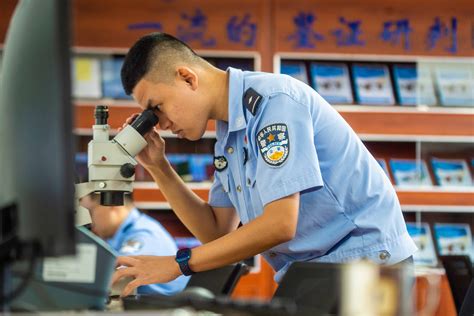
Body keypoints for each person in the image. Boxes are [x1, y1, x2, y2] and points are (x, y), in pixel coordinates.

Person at [112, 32, 417, 296]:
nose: (160, 124)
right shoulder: (228, 135)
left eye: (157, 108)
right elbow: (217, 234)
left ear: (187, 77)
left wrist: (178, 263)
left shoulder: (273, 102)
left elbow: (280, 225)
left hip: (365, 265)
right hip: (314, 271)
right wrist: (159, 168)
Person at [80, 193, 189, 295]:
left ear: (112, 204)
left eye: (90, 210)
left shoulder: (143, 234)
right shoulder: (119, 234)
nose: (89, 221)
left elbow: (122, 275)